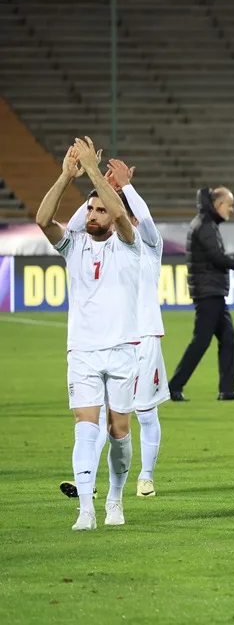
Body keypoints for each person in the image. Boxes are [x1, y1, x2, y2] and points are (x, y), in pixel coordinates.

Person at [37, 138, 141, 530]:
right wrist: (67, 175)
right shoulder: (73, 245)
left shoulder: (129, 245)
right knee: (85, 428)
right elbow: (43, 220)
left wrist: (96, 173)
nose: (94, 214)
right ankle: (85, 510)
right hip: (82, 351)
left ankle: (115, 499)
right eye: (90, 209)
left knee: (118, 431)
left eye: (100, 209)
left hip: (122, 350)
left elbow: (122, 214)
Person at [60, 158, 168, 498]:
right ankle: (88, 482)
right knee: (99, 417)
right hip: (111, 340)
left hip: (145, 338)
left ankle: (146, 477)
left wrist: (127, 188)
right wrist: (100, 188)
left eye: (125, 214)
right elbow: (76, 229)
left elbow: (144, 219)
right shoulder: (106, 248)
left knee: (145, 413)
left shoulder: (149, 247)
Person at [168, 187, 234, 402]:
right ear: (218, 205)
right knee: (201, 341)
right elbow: (217, 256)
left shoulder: (205, 223)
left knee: (228, 338)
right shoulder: (205, 225)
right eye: (229, 205)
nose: (231, 210)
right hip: (208, 292)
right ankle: (173, 387)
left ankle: (227, 390)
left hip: (211, 290)